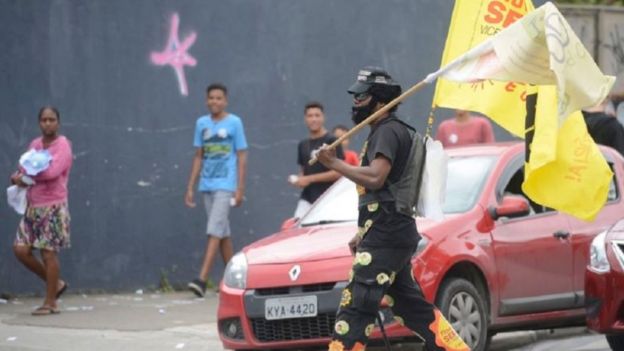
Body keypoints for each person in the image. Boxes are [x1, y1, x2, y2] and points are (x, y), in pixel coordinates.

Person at [317, 67, 468, 351]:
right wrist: (364, 231)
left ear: (380, 101)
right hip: (389, 230)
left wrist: (334, 163)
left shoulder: (387, 132)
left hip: (387, 234)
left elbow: (376, 177)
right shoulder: (388, 131)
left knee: (356, 308)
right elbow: (382, 193)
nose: (355, 102)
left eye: (362, 97)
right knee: (412, 308)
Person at [185, 83, 248, 297]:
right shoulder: (201, 124)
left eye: (219, 98)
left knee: (214, 229)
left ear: (225, 101)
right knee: (222, 233)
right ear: (206, 100)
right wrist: (190, 187)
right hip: (206, 184)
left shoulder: (234, 123)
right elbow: (198, 156)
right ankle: (236, 281)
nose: (215, 101)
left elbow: (241, 156)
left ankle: (201, 280)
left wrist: (239, 188)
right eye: (211, 98)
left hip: (226, 184)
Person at [11, 106, 72, 316]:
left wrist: (29, 174)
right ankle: (56, 283)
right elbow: (23, 166)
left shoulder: (62, 145)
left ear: (58, 122)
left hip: (53, 206)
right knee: (21, 250)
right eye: (44, 120)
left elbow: (52, 172)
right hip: (32, 206)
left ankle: (50, 302)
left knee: (48, 253)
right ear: (39, 123)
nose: (48, 123)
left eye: (52, 119)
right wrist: (17, 177)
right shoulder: (35, 145)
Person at [290, 102, 344, 218]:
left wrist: (309, 179)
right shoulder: (302, 144)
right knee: (298, 228)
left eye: (317, 115)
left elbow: (339, 172)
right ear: (305, 119)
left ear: (323, 117)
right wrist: (299, 180)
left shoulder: (332, 140)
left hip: (328, 198)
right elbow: (304, 171)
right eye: (310, 116)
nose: (313, 119)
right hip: (307, 198)